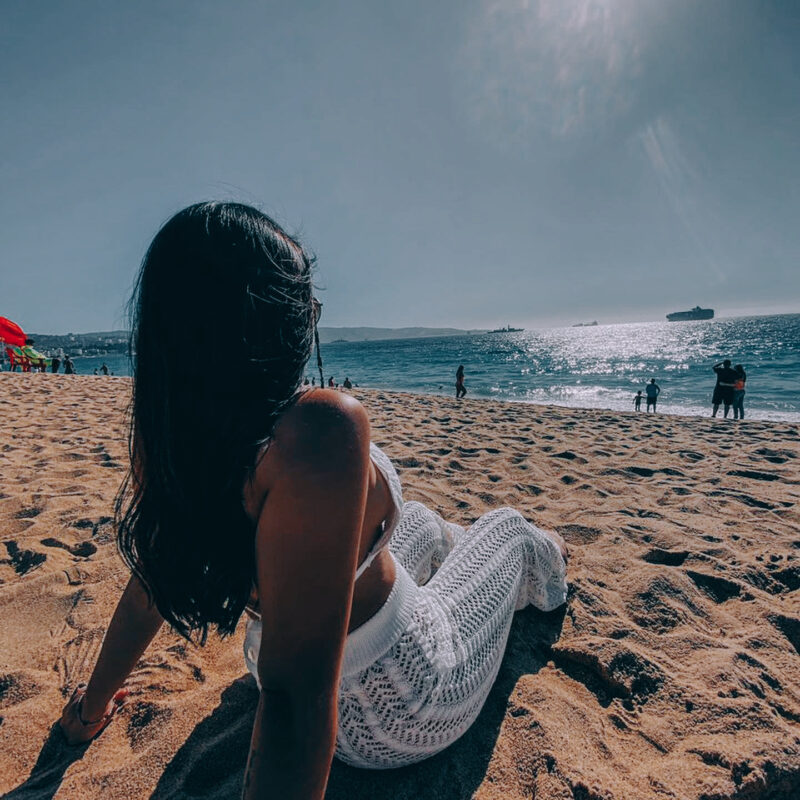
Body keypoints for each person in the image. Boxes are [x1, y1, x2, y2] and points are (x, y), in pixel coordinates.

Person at [58, 203, 568, 797]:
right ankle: (551, 570)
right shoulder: (317, 432)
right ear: (273, 322)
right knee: (507, 526)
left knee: (424, 522)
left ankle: (448, 553)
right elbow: (297, 701)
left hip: (280, 654)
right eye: (307, 311)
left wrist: (87, 715)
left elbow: (150, 585)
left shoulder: (171, 436)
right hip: (400, 704)